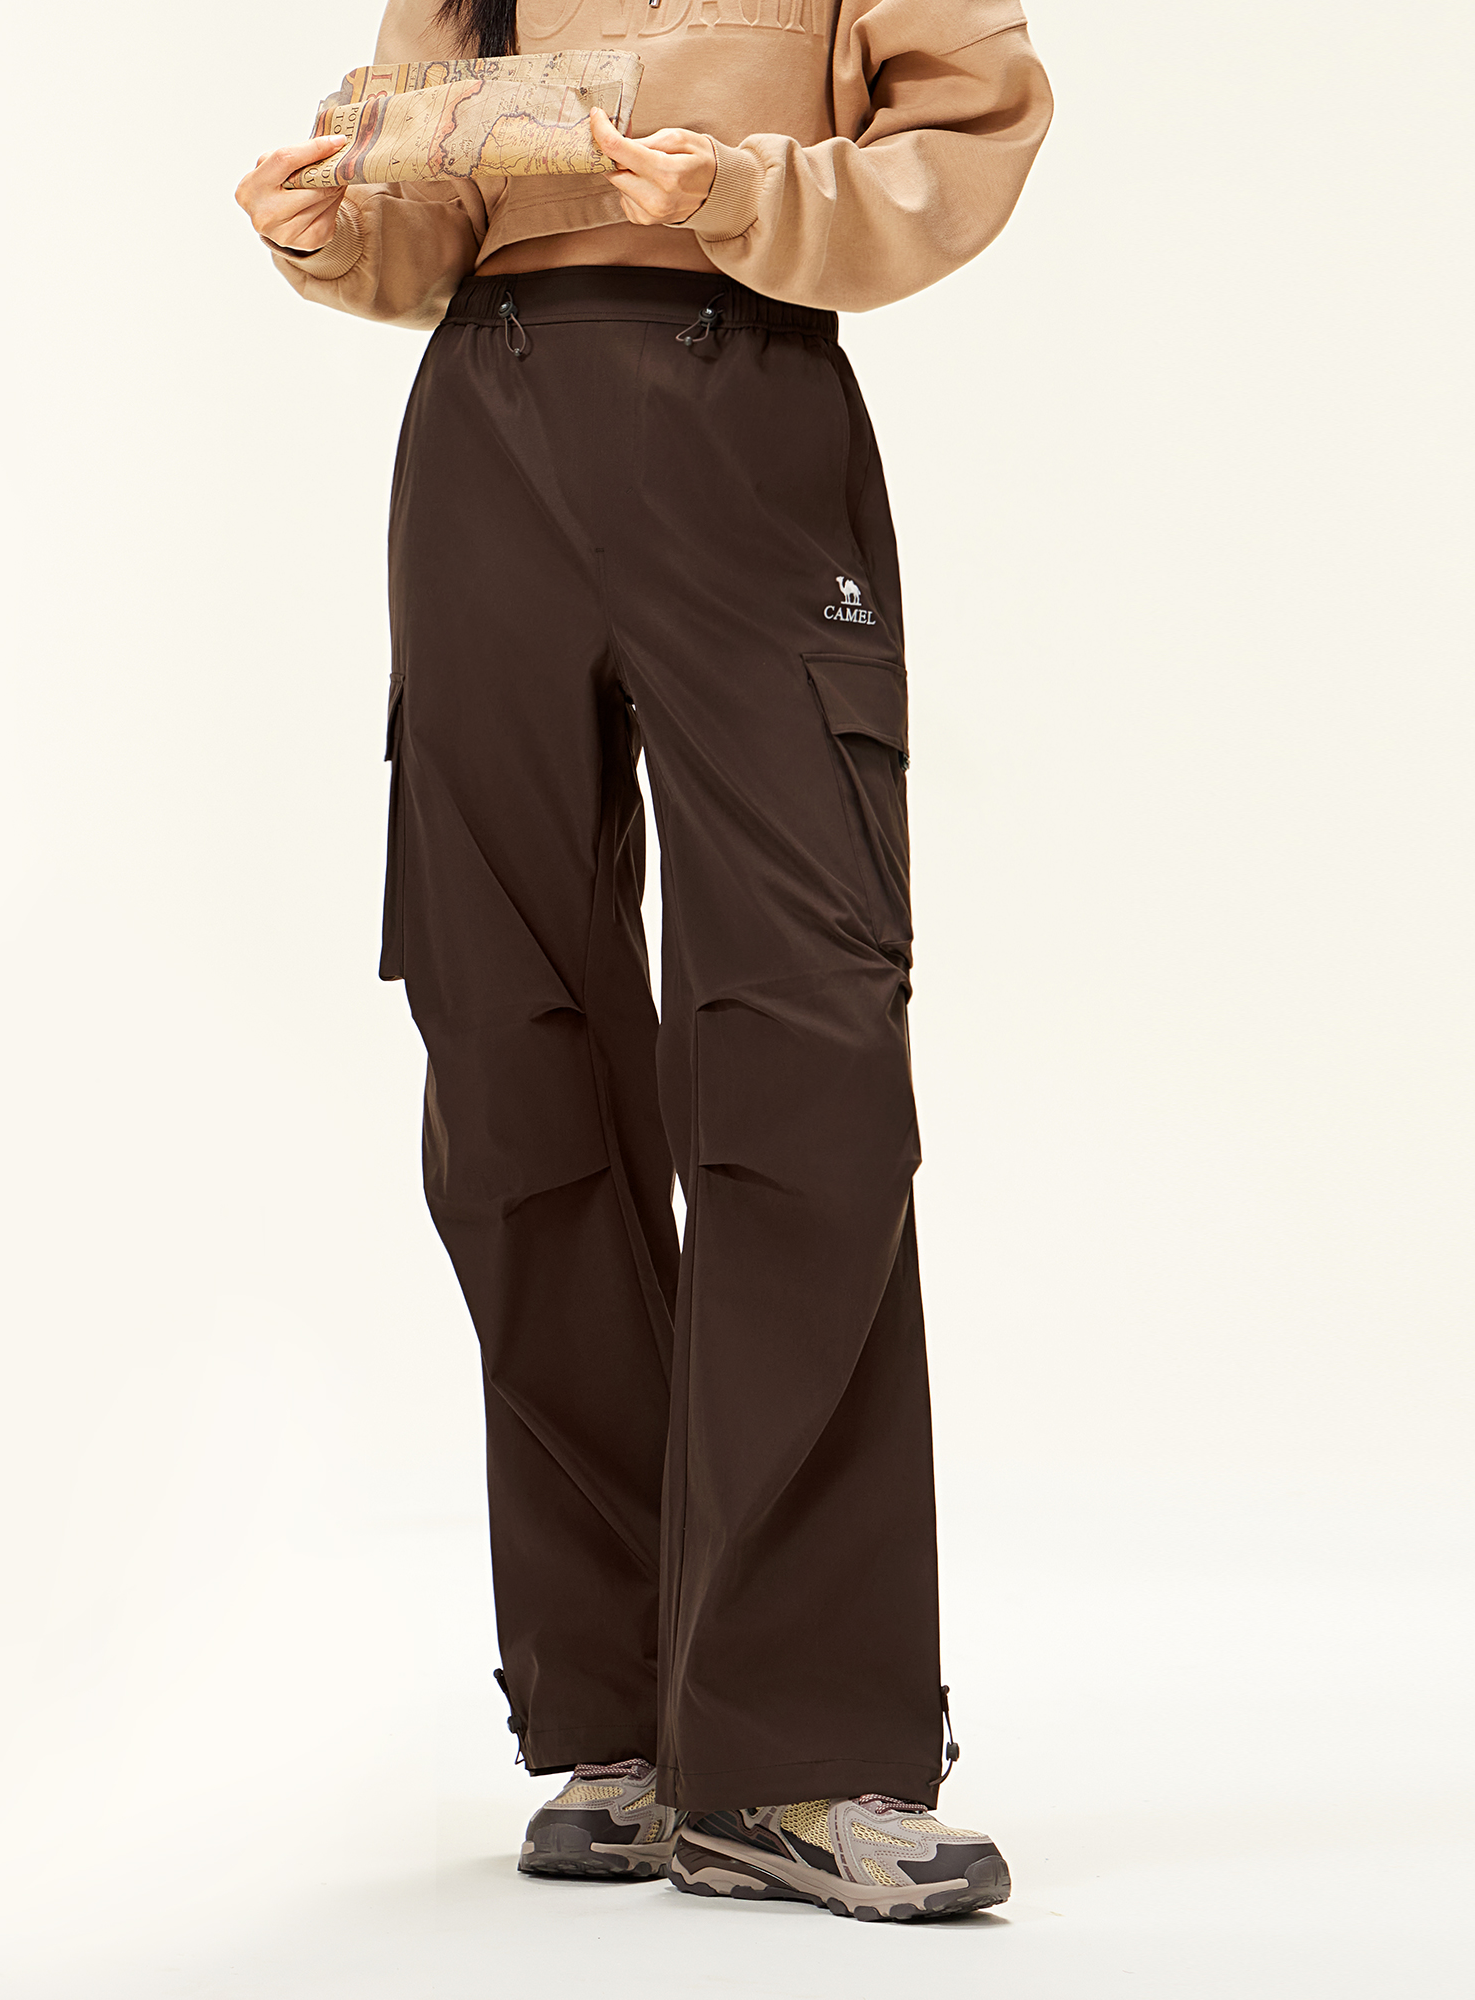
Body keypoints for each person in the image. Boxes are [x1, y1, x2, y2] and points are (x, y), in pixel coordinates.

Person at [235, 0, 1052, 1923]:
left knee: (803, 1042)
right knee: (507, 1042)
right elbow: (431, 216)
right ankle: (623, 1706)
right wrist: (333, 227)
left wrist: (743, 194)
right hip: (485, 424)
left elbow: (978, 127)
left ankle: (799, 1750)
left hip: (739, 390)